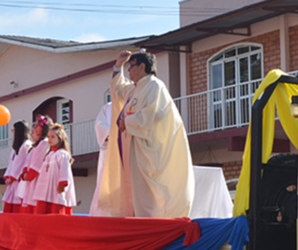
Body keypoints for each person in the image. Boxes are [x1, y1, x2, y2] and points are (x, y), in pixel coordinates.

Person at [96, 50, 194, 218]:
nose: (129, 71)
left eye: (131, 66)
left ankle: (153, 223)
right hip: (136, 151)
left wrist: (127, 122)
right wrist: (118, 64)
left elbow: (154, 115)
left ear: (142, 66)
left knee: (149, 195)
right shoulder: (135, 90)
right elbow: (117, 89)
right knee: (136, 192)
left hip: (150, 152)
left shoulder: (155, 86)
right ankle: (139, 221)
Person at [34, 123, 76, 215]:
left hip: (56, 189)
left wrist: (62, 183)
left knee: (56, 209)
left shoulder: (62, 154)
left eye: (52, 137)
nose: (49, 139)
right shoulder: (49, 154)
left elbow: (64, 171)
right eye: (48, 137)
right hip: (45, 189)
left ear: (60, 138)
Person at [16, 116, 51, 213]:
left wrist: (29, 174)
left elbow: (38, 161)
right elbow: (28, 160)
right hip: (29, 179)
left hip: (36, 178)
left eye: (36, 126)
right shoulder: (36, 145)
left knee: (34, 205)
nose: (34, 128)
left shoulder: (44, 143)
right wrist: (24, 172)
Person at [88, 101, 113, 216]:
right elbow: (99, 125)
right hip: (110, 150)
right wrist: (113, 134)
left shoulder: (132, 103)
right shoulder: (108, 107)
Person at [1, 121, 33, 213]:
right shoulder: (16, 147)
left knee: (17, 209)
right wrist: (7, 176)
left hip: (18, 181)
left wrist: (12, 177)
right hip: (12, 183)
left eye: (14, 130)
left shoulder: (26, 145)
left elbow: (23, 163)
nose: (13, 132)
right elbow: (11, 163)